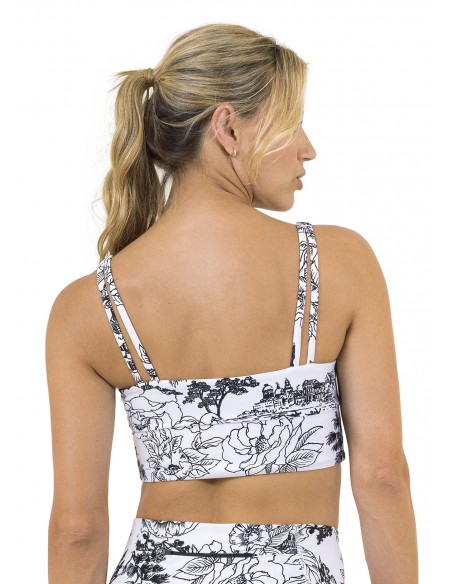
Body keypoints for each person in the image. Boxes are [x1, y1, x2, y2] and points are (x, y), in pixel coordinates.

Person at [46, 22, 418, 584]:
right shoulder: (339, 265)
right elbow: (383, 477)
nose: (308, 148)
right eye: (291, 122)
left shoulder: (85, 308)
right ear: (227, 128)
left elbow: (78, 530)